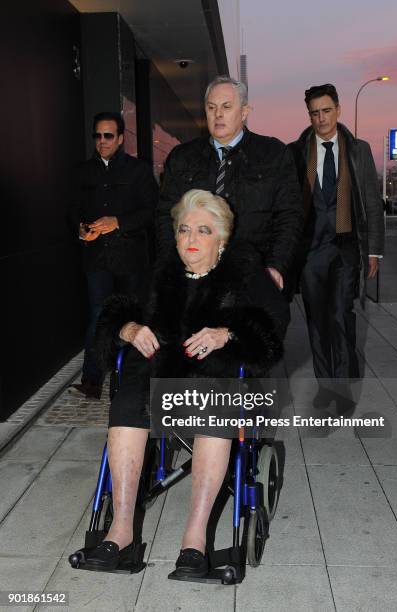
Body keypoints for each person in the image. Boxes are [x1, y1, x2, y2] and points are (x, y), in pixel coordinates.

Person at [85, 189, 284, 577]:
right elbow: (116, 312)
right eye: (184, 230)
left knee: (215, 403)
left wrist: (227, 333)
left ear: (222, 239)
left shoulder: (245, 271)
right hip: (160, 372)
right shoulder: (161, 270)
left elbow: (272, 328)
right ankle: (120, 529)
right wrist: (128, 328)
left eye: (203, 231)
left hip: (217, 375)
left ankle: (195, 540)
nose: (191, 240)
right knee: (127, 400)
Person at [157, 76, 303, 338]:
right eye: (211, 108)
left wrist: (275, 266)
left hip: (253, 278)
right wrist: (174, 265)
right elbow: (164, 216)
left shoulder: (274, 155)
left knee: (248, 354)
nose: (218, 115)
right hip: (196, 281)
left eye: (227, 107)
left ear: (245, 111)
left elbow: (289, 216)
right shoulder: (182, 158)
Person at [290, 84, 384, 386]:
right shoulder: (295, 152)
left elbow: (372, 202)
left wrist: (373, 251)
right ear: (309, 116)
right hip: (311, 250)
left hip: (346, 248)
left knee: (342, 314)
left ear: (338, 110)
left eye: (326, 111)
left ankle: (341, 387)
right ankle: (326, 382)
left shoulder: (359, 150)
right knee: (317, 321)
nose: (321, 118)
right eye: (315, 113)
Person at [69, 111, 158, 399]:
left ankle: (131, 379)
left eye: (108, 135)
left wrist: (118, 222)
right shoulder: (82, 172)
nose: (102, 141)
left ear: (120, 138)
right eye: (97, 135)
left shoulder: (139, 171)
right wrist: (82, 230)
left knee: (132, 316)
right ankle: (92, 379)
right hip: (96, 258)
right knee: (98, 314)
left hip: (131, 259)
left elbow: (151, 211)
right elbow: (73, 211)